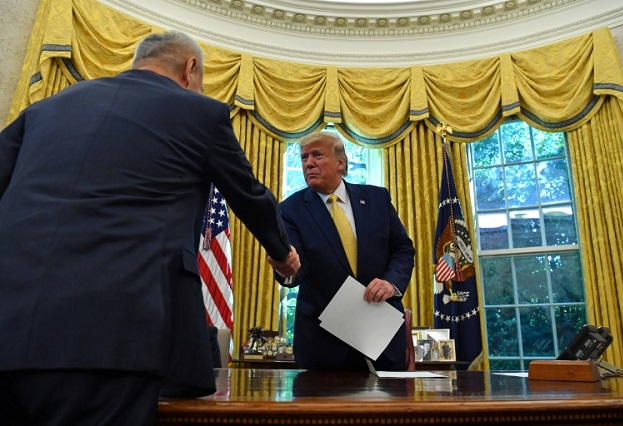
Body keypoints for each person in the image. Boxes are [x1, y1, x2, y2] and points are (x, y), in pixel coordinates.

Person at [0, 31, 299, 425]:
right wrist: (282, 255)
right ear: (190, 69)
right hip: (110, 338)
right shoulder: (199, 113)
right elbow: (249, 194)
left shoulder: (45, 109)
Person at [268, 132, 414, 371]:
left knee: (392, 407)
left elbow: (403, 249)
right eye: (304, 157)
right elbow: (295, 265)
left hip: (381, 336)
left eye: (318, 155)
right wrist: (287, 268)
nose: (309, 163)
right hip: (323, 344)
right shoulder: (289, 210)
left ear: (341, 163)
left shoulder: (377, 198)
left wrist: (391, 283)